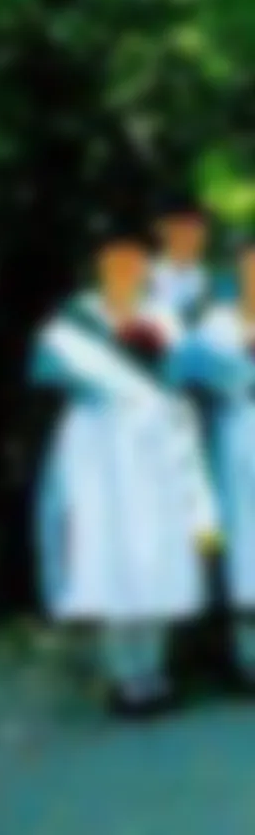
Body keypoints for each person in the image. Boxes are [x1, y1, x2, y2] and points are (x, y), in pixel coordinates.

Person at [28, 215, 217, 718]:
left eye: (134, 261)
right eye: (115, 261)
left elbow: (186, 376)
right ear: (100, 265)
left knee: (157, 561)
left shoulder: (166, 316)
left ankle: (153, 673)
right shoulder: (76, 319)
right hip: (98, 448)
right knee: (107, 559)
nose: (125, 269)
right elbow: (51, 372)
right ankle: (125, 677)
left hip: (157, 446)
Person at [183, 238, 255, 693]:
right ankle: (249, 663)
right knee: (246, 552)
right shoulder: (217, 323)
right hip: (237, 439)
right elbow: (193, 375)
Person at [149, 190, 216, 325]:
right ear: (161, 230)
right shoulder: (139, 278)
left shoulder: (221, 285)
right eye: (181, 227)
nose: (188, 236)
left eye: (196, 228)